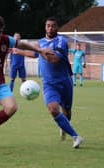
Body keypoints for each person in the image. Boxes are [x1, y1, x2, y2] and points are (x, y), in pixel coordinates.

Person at [0, 15, 52, 143]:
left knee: (11, 107)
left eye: (1, 31)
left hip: (0, 84)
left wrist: (39, 50)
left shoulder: (6, 40)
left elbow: (21, 43)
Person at [10, 17, 84, 148]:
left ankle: (64, 126)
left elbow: (54, 59)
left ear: (57, 27)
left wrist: (40, 51)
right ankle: (76, 136)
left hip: (64, 81)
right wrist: (18, 51)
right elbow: (34, 54)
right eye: (48, 26)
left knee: (67, 110)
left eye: (53, 26)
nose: (50, 28)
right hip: (49, 84)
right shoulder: (40, 42)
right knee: (53, 109)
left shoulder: (61, 41)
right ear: (45, 27)